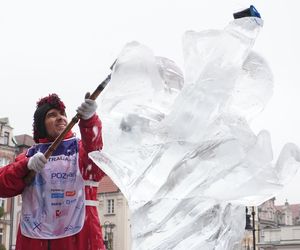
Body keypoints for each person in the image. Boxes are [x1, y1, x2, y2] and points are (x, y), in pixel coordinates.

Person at [0, 93, 106, 250]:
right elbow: (3, 185)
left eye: (63, 114)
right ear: (41, 124)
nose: (61, 118)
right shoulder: (29, 156)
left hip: (80, 239)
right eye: (52, 115)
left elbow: (95, 165)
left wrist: (90, 121)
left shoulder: (80, 150)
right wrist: (25, 165)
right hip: (35, 241)